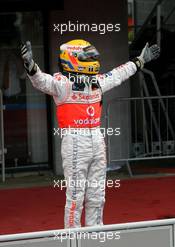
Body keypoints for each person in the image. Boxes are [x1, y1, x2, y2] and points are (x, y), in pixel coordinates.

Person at [20, 39, 160, 228]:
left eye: (93, 56)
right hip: (75, 140)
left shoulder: (97, 81)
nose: (93, 60)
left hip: (96, 138)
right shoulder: (62, 83)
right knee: (75, 198)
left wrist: (140, 61)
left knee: (97, 196)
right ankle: (73, 246)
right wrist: (30, 65)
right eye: (88, 57)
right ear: (73, 58)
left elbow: (119, 74)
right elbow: (42, 81)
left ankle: (95, 239)